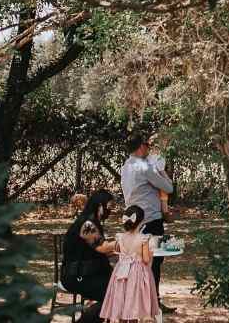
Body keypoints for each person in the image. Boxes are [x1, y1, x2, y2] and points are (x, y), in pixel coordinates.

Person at [118, 132, 173, 314]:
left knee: (138, 262)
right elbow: (168, 187)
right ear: (141, 146)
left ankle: (139, 302)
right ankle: (153, 303)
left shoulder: (126, 166)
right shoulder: (144, 166)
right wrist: (161, 170)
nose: (149, 149)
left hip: (133, 219)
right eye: (147, 146)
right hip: (150, 219)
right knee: (154, 262)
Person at [62, 189, 119, 320]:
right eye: (109, 207)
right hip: (77, 276)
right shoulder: (86, 224)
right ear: (99, 206)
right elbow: (102, 247)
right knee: (115, 294)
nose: (110, 210)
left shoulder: (92, 222)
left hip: (90, 274)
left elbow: (99, 251)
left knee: (120, 289)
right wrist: (126, 241)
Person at [99, 206, 158, 323]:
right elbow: (146, 259)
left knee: (122, 299)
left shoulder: (120, 237)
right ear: (141, 221)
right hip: (137, 274)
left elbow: (120, 252)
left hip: (121, 272)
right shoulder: (143, 239)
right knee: (134, 301)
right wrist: (151, 253)